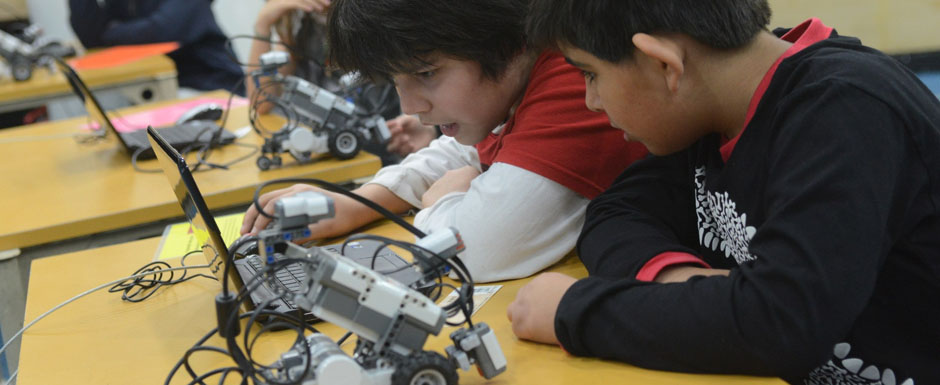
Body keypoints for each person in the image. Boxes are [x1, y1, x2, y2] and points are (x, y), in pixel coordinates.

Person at [507, 1, 940, 384]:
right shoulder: (708, 108)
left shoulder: (847, 110)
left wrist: (575, 313)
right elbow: (614, 212)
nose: (591, 100)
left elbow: (781, 323)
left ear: (664, 65)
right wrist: (680, 285)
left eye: (590, 74)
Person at [240, 0, 648, 282]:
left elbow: (480, 251)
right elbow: (458, 150)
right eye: (396, 82)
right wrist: (357, 203)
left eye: (426, 74)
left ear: (503, 40)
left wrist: (441, 202)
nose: (411, 105)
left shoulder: (574, 82)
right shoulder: (507, 89)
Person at [248, 0, 403, 164]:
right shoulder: (304, 24)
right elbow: (262, 103)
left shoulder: (371, 17)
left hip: (373, 152)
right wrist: (263, 25)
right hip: (325, 152)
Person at [69, 0, 245, 95]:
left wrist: (108, 34)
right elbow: (91, 37)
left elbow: (160, 31)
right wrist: (107, 35)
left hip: (213, 87)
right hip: (159, 88)